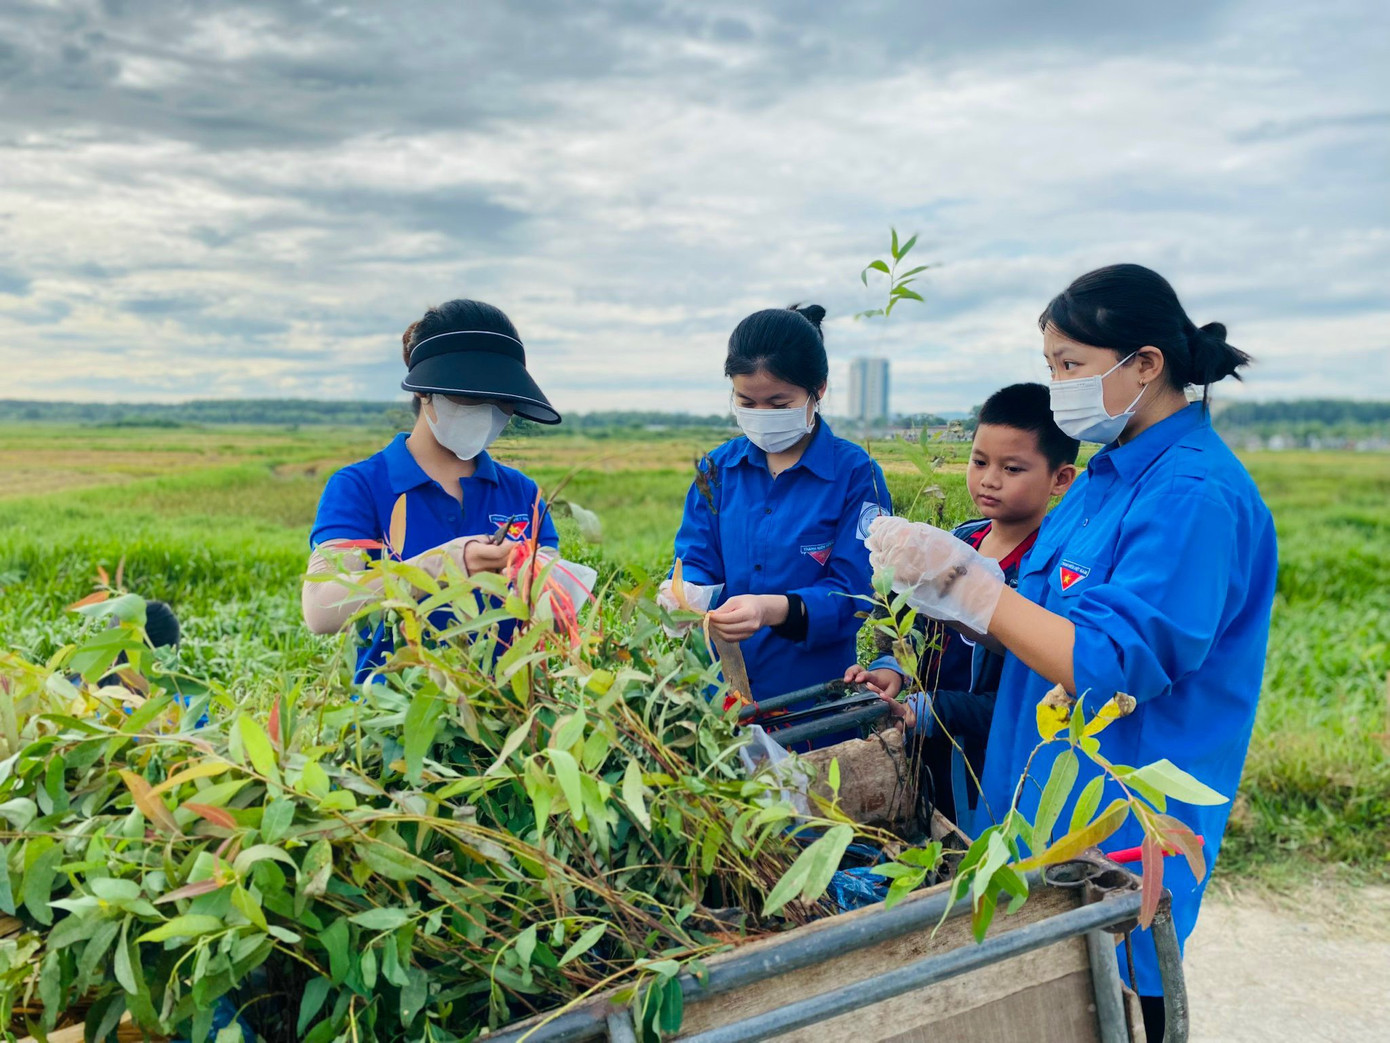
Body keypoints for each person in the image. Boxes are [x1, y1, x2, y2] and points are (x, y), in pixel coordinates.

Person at [866, 264, 1277, 1040]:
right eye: (1052, 364)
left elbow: (1108, 660)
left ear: (1145, 364)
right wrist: (946, 591)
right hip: (1036, 811)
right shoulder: (1102, 480)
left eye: (1070, 366)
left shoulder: (1193, 495)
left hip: (1117, 825)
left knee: (1117, 1006)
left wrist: (974, 588)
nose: (1056, 385)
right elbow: (1041, 621)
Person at [843, 383, 1078, 820]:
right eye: (979, 461)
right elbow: (902, 615)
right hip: (920, 740)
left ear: (1060, 479)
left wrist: (933, 709)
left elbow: (1031, 696)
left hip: (986, 765)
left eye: (1012, 468)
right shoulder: (959, 542)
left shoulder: (1043, 574)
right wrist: (891, 668)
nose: (989, 480)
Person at [302, 299, 562, 685]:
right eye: (472, 396)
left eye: (502, 401)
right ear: (425, 392)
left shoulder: (521, 492)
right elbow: (323, 609)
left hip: (506, 719)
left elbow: (554, 616)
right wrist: (444, 566)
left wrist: (543, 583)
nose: (489, 411)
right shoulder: (360, 487)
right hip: (392, 721)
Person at [664, 304, 891, 742]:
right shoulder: (717, 470)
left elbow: (856, 591)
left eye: (779, 403)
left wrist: (770, 609)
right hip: (726, 699)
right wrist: (685, 592)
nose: (761, 414)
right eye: (747, 402)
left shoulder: (855, 475)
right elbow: (696, 557)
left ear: (817, 390)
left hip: (814, 704)